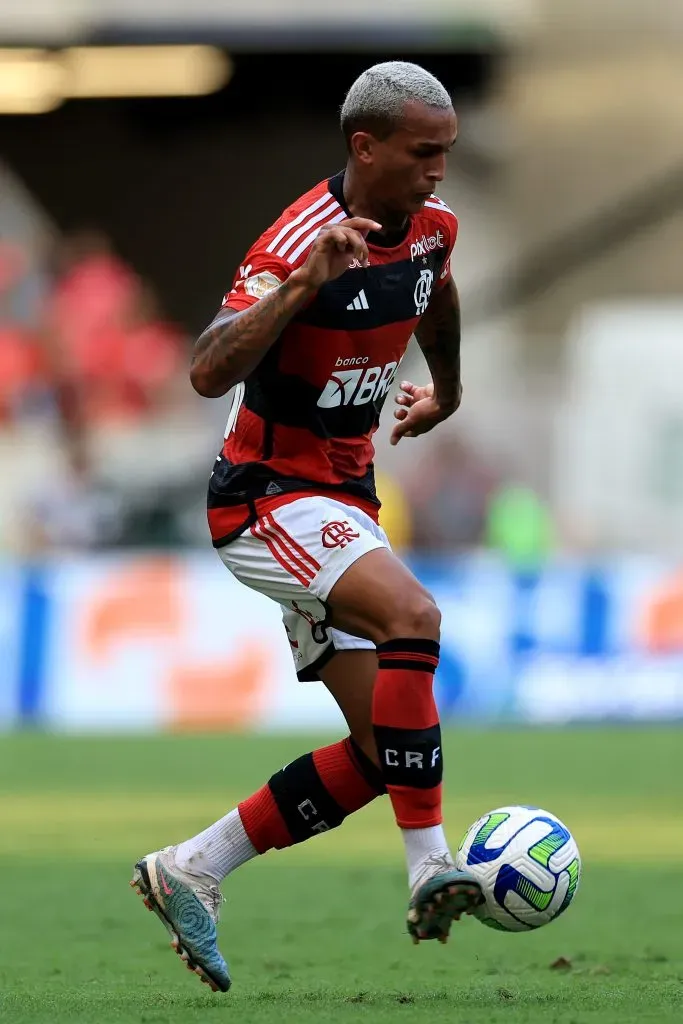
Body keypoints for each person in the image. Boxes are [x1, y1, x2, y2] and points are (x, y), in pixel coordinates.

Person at [130, 61, 482, 993]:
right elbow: (207, 370)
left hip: (343, 497)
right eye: (422, 154)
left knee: (383, 754)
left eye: (446, 153)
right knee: (414, 619)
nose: (438, 172)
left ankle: (191, 868)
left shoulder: (432, 228)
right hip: (265, 497)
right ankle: (430, 866)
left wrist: (445, 390)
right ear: (364, 147)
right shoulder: (295, 242)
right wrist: (299, 288)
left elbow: (434, 288)